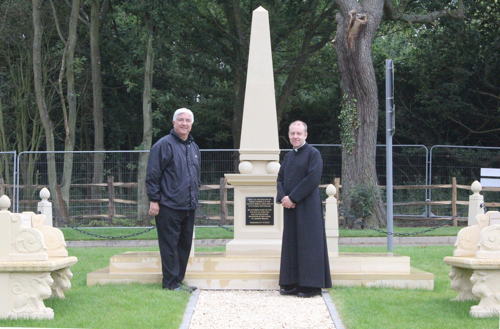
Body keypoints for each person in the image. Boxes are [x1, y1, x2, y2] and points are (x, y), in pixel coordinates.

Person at [146, 107, 201, 291]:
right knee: (169, 246)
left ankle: (178, 280)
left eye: (188, 120)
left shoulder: (193, 147)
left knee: (184, 245)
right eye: (181, 120)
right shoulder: (163, 145)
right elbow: (153, 175)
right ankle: (170, 283)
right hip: (168, 205)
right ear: (174, 122)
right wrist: (154, 200)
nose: (184, 123)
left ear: (191, 125)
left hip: (189, 205)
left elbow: (195, 175)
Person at [276, 120, 332, 298]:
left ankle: (311, 286)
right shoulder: (288, 156)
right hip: (290, 208)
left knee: (309, 244)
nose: (295, 136)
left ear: (306, 135)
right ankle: (291, 282)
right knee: (292, 243)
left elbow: (312, 178)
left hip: (308, 208)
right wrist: (283, 197)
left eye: (299, 133)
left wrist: (293, 197)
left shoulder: (313, 154)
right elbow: (280, 178)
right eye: (292, 133)